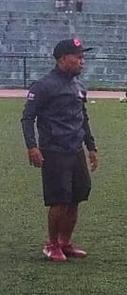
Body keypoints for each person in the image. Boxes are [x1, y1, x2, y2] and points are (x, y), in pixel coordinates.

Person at [19, 38, 100, 262]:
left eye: (83, 57)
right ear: (63, 59)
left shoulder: (79, 86)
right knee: (59, 200)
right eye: (78, 57)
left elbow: (83, 118)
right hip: (54, 151)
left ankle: (65, 242)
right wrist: (32, 146)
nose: (82, 61)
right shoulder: (44, 86)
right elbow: (27, 118)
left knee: (77, 196)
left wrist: (91, 147)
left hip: (75, 150)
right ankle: (51, 244)